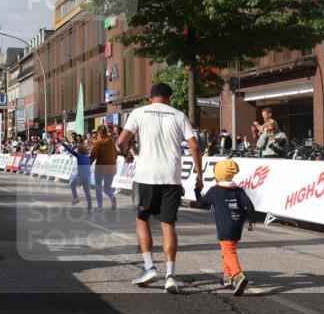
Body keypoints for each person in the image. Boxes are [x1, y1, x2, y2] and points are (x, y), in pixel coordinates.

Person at [117, 82, 202, 294]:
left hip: (146, 175)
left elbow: (120, 141)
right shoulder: (179, 115)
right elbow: (194, 145)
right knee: (168, 225)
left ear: (150, 97)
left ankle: (149, 267)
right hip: (171, 176)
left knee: (142, 219)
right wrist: (200, 176)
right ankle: (170, 275)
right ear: (170, 97)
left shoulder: (138, 113)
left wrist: (126, 152)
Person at [202, 159, 255, 296]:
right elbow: (248, 204)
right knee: (227, 249)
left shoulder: (215, 190)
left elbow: (202, 203)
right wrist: (252, 219)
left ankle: (238, 275)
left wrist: (197, 190)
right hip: (238, 224)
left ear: (218, 175)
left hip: (225, 226)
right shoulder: (238, 190)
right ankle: (227, 277)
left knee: (228, 251)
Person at [90, 125, 118, 211]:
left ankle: (100, 206)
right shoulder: (111, 140)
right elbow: (116, 153)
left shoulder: (98, 142)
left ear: (99, 132)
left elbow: (93, 155)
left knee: (98, 188)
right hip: (111, 167)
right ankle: (112, 197)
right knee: (107, 188)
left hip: (101, 167)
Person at [62, 137, 93, 213]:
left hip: (80, 176)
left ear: (79, 151)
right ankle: (90, 209)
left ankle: (76, 198)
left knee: (72, 185)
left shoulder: (79, 156)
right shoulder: (88, 158)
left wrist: (63, 144)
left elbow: (70, 150)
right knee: (88, 193)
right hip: (87, 177)